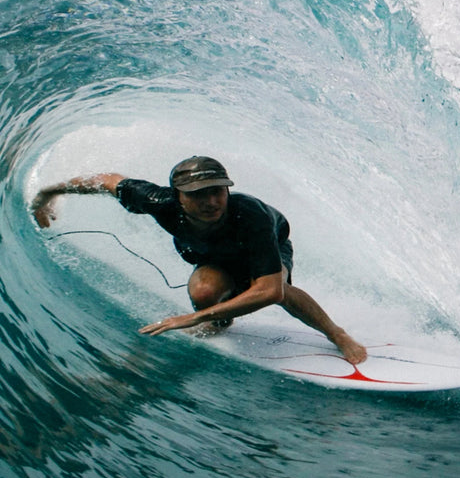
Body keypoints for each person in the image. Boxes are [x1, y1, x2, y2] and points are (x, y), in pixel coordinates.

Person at [31, 156, 368, 365]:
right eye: (197, 194)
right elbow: (106, 181)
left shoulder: (251, 216)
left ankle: (336, 333)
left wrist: (192, 319)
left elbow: (270, 293)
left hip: (264, 246)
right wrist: (50, 193)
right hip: (210, 254)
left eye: (217, 190)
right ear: (178, 196)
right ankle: (222, 321)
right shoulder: (155, 200)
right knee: (205, 289)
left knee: (277, 286)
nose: (211, 201)